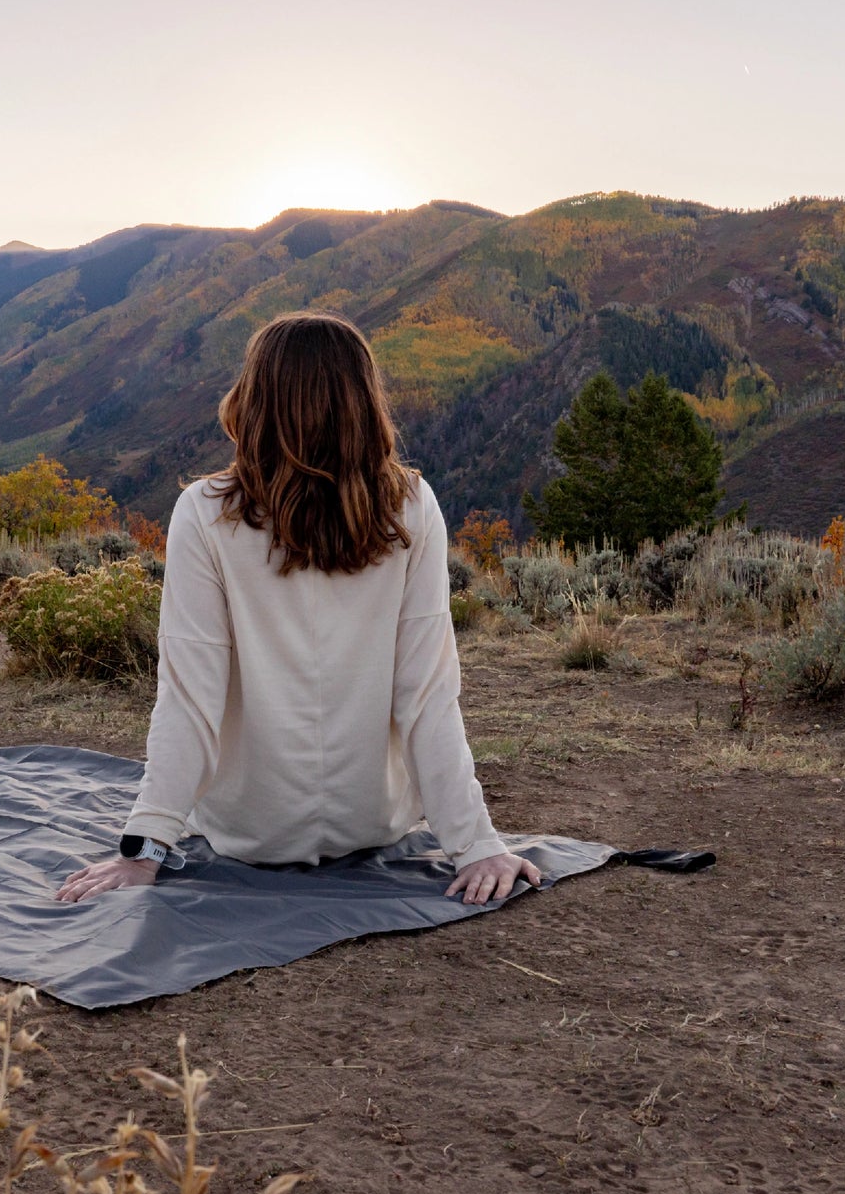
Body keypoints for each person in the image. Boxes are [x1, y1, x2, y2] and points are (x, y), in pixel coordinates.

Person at [55, 311, 540, 905]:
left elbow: (190, 700)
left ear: (256, 402)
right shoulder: (411, 505)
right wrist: (476, 844)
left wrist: (146, 848)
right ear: (364, 402)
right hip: (375, 824)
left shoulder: (205, 512)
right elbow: (427, 695)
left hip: (250, 831)